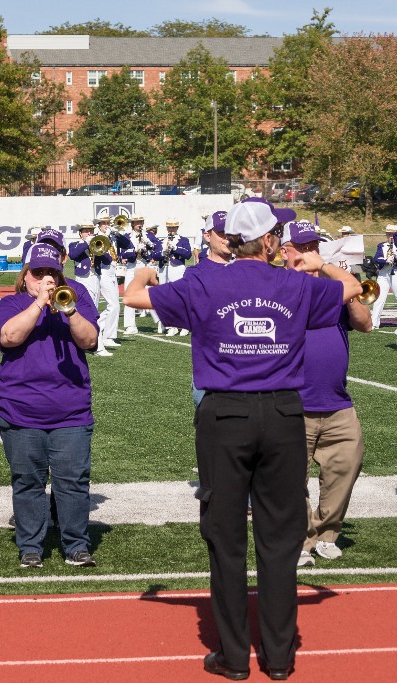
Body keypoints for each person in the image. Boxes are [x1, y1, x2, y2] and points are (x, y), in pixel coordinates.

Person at [123, 201, 361, 681]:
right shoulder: (296, 284)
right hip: (284, 414)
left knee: (226, 539)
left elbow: (133, 299)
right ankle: (279, 658)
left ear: (231, 239)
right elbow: (352, 288)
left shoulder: (204, 282)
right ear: (270, 240)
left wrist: (145, 271)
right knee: (280, 540)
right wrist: (318, 263)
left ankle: (233, 658)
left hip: (225, 414)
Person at [0, 242, 99, 569]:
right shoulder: (11, 303)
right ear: (26, 276)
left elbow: (90, 340)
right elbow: (9, 337)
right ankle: (30, 547)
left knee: (73, 481)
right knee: (28, 482)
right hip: (20, 409)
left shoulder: (75, 299)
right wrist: (39, 303)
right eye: (38, 273)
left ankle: (76, 545)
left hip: (71, 410)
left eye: (51, 273)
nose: (45, 279)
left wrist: (69, 310)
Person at [278, 220, 372, 567]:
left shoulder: (336, 288)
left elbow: (365, 324)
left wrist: (338, 281)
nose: (310, 253)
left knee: (346, 466)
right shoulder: (279, 286)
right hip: (293, 401)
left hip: (336, 400)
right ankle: (300, 539)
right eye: (302, 248)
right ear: (284, 252)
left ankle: (326, 533)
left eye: (314, 247)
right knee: (291, 479)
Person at [184, 211, 231, 407]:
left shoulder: (246, 267)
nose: (227, 238)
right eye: (221, 233)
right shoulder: (195, 274)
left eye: (231, 232)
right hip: (209, 368)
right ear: (207, 236)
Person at [67, 224, 113, 357]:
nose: (89, 233)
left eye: (91, 231)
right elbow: (73, 255)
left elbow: (108, 260)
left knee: (94, 310)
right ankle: (98, 347)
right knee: (90, 311)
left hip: (96, 278)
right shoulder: (75, 244)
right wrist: (86, 243)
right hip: (83, 279)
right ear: (80, 233)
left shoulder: (96, 243)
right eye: (86, 231)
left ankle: (89, 343)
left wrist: (101, 247)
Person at [116, 215, 154, 335]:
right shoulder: (127, 237)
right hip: (132, 267)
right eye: (137, 222)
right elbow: (122, 254)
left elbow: (156, 250)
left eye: (141, 222)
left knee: (152, 295)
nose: (139, 224)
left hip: (144, 267)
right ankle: (130, 325)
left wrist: (148, 246)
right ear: (132, 224)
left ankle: (162, 322)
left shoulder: (148, 235)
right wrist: (135, 250)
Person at [157, 220, 192, 336]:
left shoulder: (183, 240)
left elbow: (188, 255)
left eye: (173, 228)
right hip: (164, 269)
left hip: (177, 268)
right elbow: (154, 255)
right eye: (169, 228)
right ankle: (172, 326)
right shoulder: (162, 241)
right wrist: (162, 252)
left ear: (177, 228)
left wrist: (175, 248)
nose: (171, 230)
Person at [93, 219, 121, 347]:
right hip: (103, 271)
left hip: (113, 271)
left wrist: (117, 233)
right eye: (104, 223)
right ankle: (107, 336)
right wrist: (106, 238)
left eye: (108, 223)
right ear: (99, 225)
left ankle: (99, 327)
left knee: (115, 305)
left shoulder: (112, 236)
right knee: (113, 304)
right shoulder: (97, 237)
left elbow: (128, 244)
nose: (107, 225)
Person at [370, 225, 397, 330]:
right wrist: (385, 260)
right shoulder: (381, 245)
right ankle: (374, 323)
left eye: (393, 234)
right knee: (379, 297)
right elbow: (376, 258)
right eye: (389, 234)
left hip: (395, 272)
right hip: (383, 273)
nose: (391, 236)